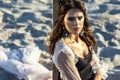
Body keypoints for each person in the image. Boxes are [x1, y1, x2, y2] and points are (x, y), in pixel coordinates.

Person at [48, 0, 103, 80]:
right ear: (63, 21)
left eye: (80, 18)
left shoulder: (84, 38)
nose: (77, 23)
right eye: (71, 19)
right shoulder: (64, 51)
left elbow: (97, 69)